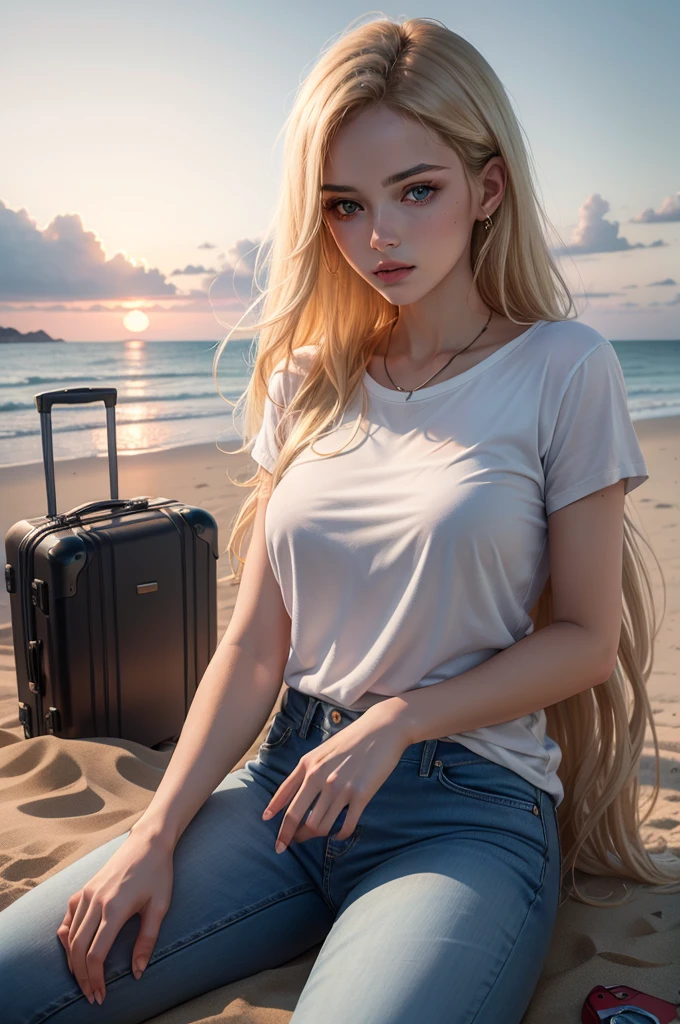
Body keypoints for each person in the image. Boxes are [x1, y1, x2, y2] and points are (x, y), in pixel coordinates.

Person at [2, 15, 679, 1024]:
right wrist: (154, 833)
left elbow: (585, 639)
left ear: (486, 189)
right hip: (284, 787)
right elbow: (252, 646)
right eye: (344, 205)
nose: (380, 236)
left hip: (464, 810)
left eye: (416, 190)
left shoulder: (562, 368)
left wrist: (398, 719)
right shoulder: (303, 382)